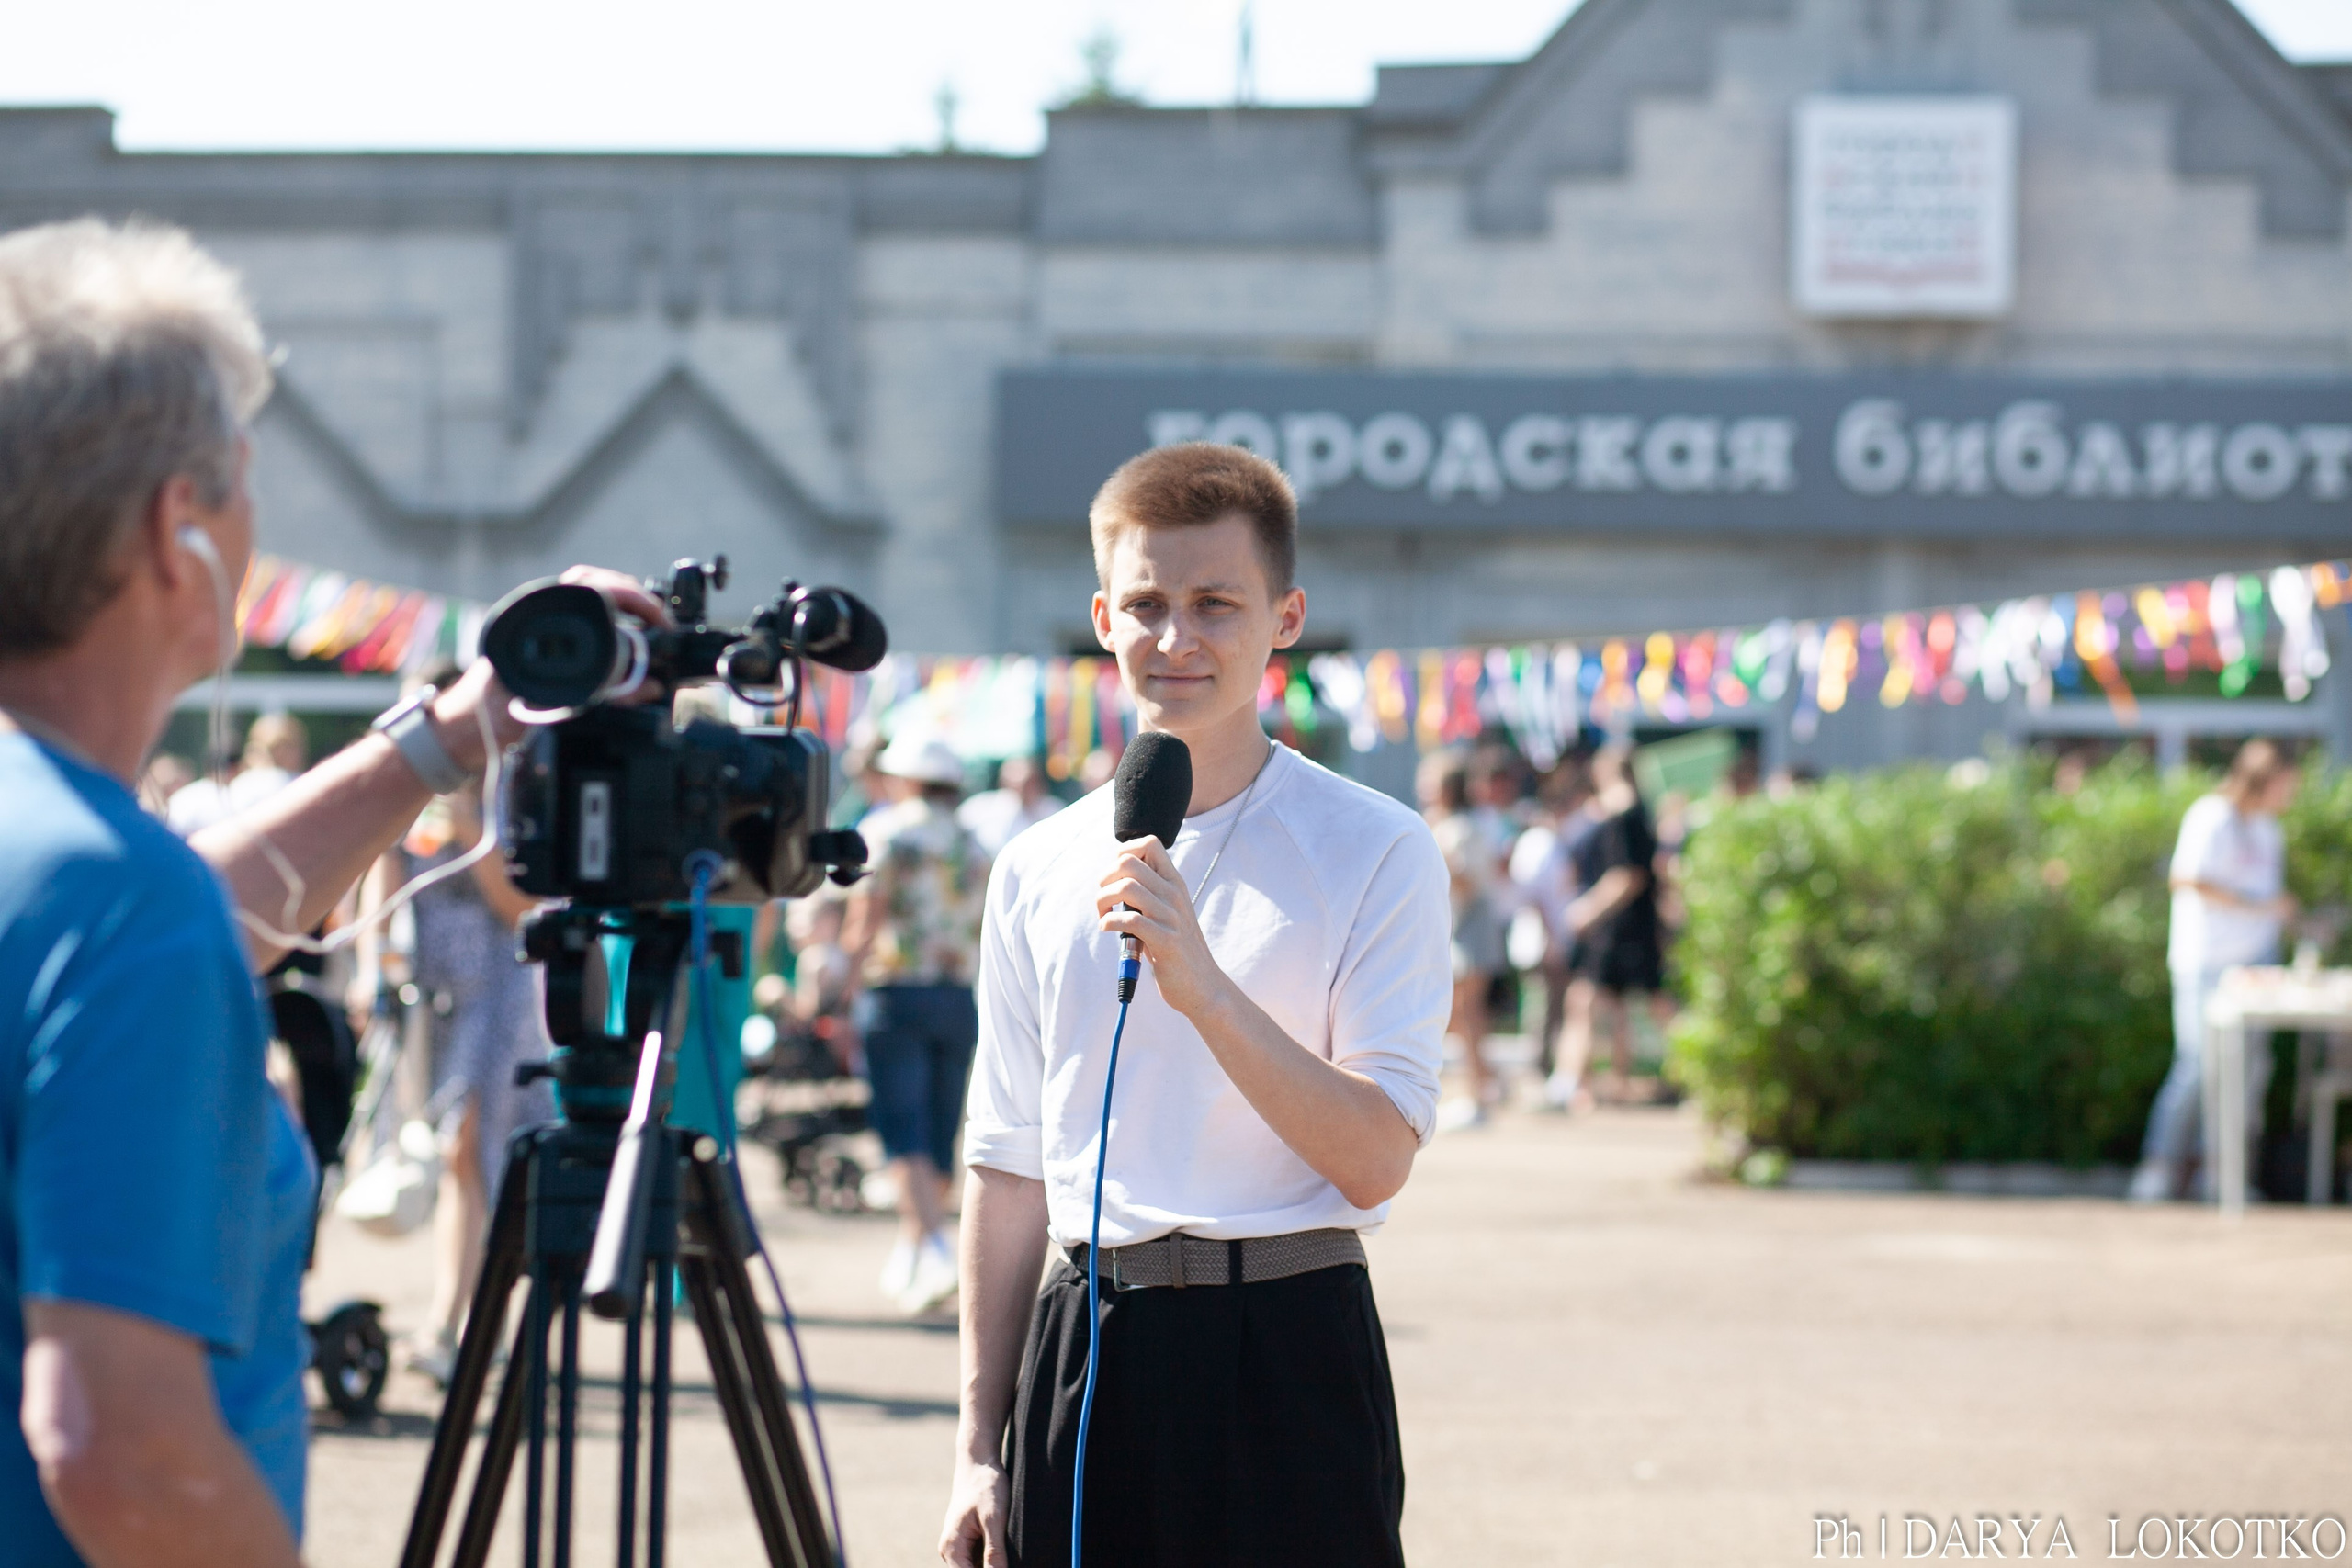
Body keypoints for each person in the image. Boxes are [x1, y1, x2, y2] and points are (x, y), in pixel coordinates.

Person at [0, 216, 667, 1568]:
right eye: (244, 481)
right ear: (174, 528)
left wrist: (456, 729)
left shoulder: (71, 860)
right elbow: (119, 1450)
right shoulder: (118, 904)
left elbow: (189, 907)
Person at [940, 441, 1449, 1568]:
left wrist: (1206, 990)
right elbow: (1011, 1161)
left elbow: (1375, 1160)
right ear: (1102, 618)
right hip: (1089, 1345)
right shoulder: (1034, 863)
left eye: (1216, 603)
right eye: (1146, 604)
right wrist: (977, 1443)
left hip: (1289, 1340)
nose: (1177, 639)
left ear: (1285, 617)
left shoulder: (1375, 847)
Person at [351, 670, 550, 1385]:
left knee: (471, 1146)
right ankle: (471, 1315)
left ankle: (455, 1321)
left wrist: (470, 824)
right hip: (427, 988)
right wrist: (373, 959)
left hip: (498, 985)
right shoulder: (410, 779)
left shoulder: (510, 781)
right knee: (444, 1149)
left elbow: (520, 906)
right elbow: (381, 865)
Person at [844, 731, 989, 1314]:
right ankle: (916, 1252)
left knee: (900, 1126)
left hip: (895, 992)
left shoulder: (886, 832)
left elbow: (864, 917)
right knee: (938, 1127)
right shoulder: (974, 842)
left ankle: (931, 1247)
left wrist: (839, 986)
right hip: (958, 994)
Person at [2130, 739, 2301, 1203]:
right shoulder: (2212, 816)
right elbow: (2187, 879)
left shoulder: (2269, 830)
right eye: (2288, 783)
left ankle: (2221, 1173)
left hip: (2256, 966)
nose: (2293, 793)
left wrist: (2280, 924)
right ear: (2265, 778)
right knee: (2197, 1065)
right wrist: (2258, 905)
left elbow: (2269, 899)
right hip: (2205, 963)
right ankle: (2159, 1165)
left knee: (2250, 1072)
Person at [1555, 742, 1674, 1108]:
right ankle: (1612, 1082)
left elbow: (1628, 875)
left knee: (1586, 1001)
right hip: (1631, 925)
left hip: (1618, 927)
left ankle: (1567, 1083)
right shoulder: (1638, 812)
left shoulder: (1622, 815)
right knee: (1623, 1006)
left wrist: (1587, 910)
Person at [1421, 750, 1507, 1131]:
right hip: (1456, 926)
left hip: (1470, 925)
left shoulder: (1462, 828)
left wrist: (1436, 857)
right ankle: (1486, 1083)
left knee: (1467, 1012)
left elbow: (1469, 883)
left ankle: (1478, 1095)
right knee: (1459, 1013)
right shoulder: (1444, 824)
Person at [958, 753, 1060, 859]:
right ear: (1003, 783)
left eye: (1029, 784)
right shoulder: (977, 809)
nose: (1022, 791)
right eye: (1016, 785)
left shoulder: (1054, 810)